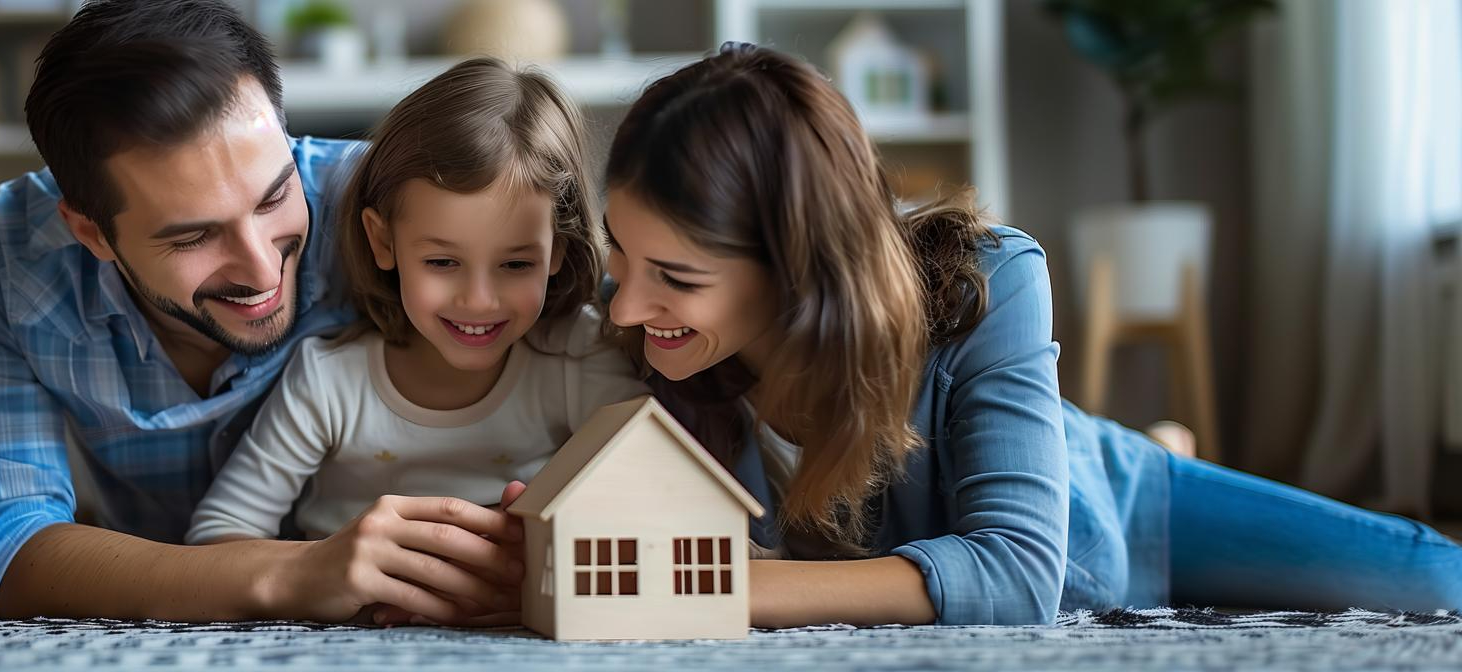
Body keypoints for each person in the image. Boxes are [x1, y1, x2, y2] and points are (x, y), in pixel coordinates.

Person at [553, 42, 1462, 627]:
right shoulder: (650, 333)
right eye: (623, 257)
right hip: (1028, 508)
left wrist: (725, 588)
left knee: (1434, 584)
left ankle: (1118, 451)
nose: (626, 308)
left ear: (799, 268)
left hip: (1115, 512)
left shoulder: (991, 281)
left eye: (676, 278)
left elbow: (1022, 574)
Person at [0, 0, 521, 622]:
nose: (262, 270)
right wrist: (294, 572)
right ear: (94, 234)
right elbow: (2, 553)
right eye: (193, 238)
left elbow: (592, 312)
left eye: (275, 197)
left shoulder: (386, 205)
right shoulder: (8, 255)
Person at [187, 58, 642, 566]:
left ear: (556, 252)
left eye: (516, 263)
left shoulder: (579, 359)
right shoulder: (331, 382)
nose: (478, 300)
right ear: (384, 241)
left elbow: (657, 500)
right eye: (442, 262)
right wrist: (321, 575)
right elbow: (218, 534)